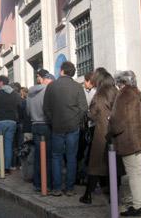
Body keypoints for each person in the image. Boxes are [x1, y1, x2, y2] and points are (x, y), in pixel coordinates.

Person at [43, 61, 88, 196]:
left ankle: (57, 188)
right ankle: (69, 188)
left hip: (57, 126)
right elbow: (84, 108)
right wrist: (76, 120)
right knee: (71, 157)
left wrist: (53, 120)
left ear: (61, 71)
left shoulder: (51, 86)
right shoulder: (77, 87)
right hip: (73, 127)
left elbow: (46, 108)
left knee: (56, 156)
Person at [109, 70, 141, 217]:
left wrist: (110, 126)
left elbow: (117, 121)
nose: (118, 86)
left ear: (122, 83)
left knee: (132, 174)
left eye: (118, 83)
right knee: (137, 172)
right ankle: (138, 204)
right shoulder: (139, 93)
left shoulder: (123, 95)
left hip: (128, 140)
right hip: (140, 139)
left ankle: (138, 206)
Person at [79, 70, 117, 204]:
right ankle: (114, 196)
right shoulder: (115, 91)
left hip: (101, 132)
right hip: (115, 132)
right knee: (113, 165)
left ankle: (88, 195)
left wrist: (88, 114)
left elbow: (94, 114)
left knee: (95, 165)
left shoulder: (100, 94)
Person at [27, 69, 55, 192]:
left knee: (38, 155)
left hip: (34, 124)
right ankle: (46, 184)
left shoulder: (30, 92)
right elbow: (49, 109)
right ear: (48, 80)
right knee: (47, 156)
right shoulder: (48, 90)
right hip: (46, 125)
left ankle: (37, 183)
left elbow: (27, 111)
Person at [0, 75, 21, 175]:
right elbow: (19, 106)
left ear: (1, 82)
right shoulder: (15, 94)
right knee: (8, 145)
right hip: (11, 122)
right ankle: (7, 168)